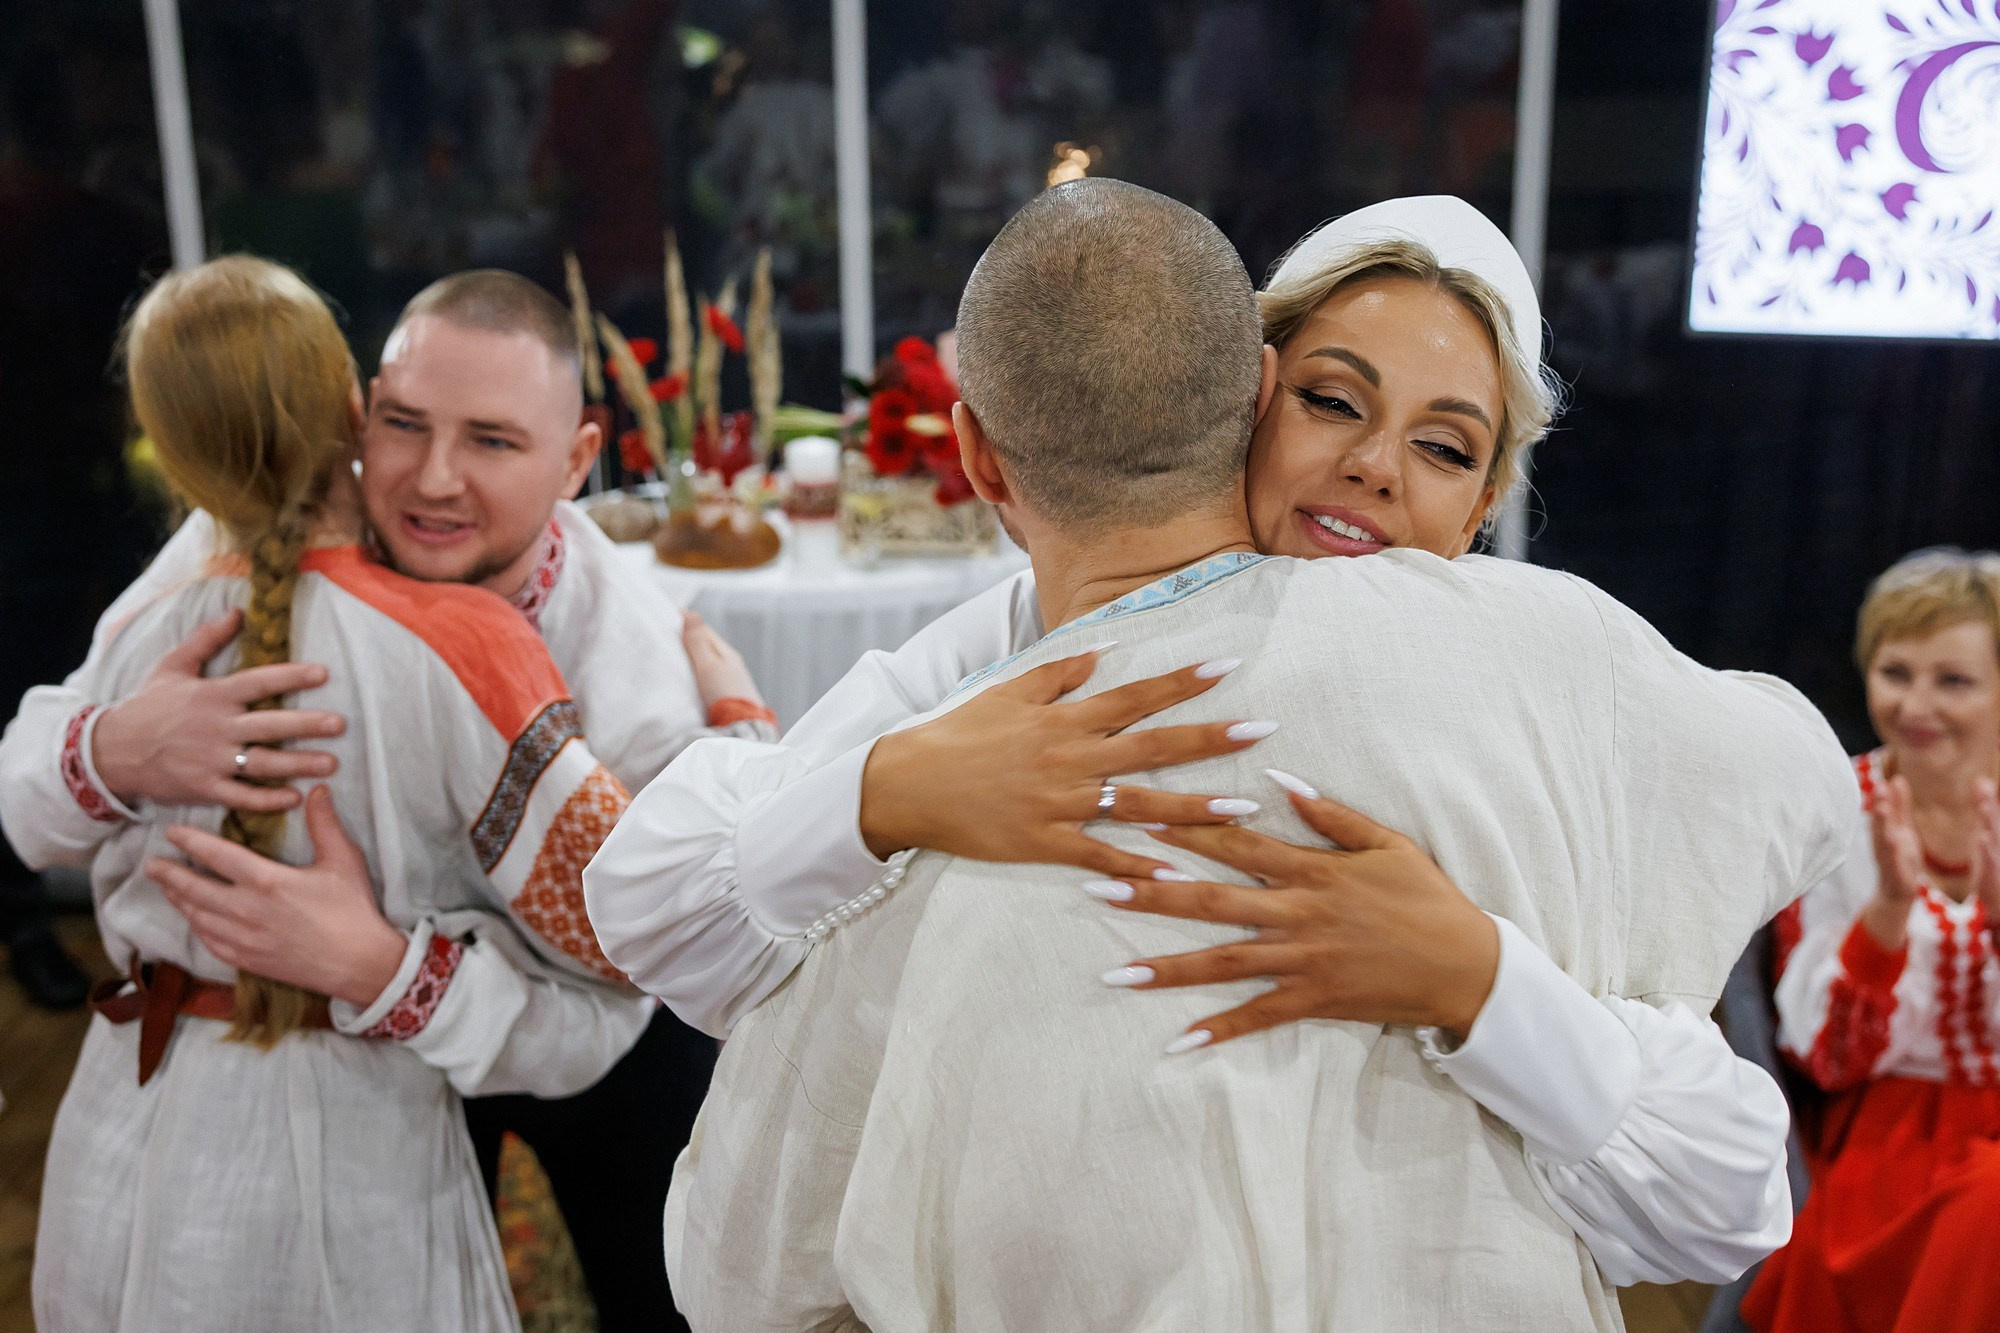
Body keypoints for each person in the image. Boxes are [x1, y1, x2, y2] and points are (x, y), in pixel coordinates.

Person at [595, 180, 1854, 1328]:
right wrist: (887, 792)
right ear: (1246, 396)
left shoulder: (1533, 696)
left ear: (1483, 509)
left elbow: (1726, 1200)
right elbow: (655, 902)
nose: (1372, 467)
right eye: (1332, 401)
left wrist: (1474, 979)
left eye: (1443, 447)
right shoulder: (1013, 639)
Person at [0, 268, 775, 1330]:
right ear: (357, 410)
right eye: (404, 424)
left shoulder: (629, 652)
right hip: (366, 1072)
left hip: (586, 1032)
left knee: (665, 1286)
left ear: (576, 460)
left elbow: (699, 921)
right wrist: (117, 747)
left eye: (492, 441)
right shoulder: (248, 539)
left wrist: (740, 736)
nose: (434, 478)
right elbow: (25, 796)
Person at [1741, 549, 2000, 1333]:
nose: (1916, 704)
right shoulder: (1838, 810)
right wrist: (1888, 908)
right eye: (1895, 673)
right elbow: (1824, 1056)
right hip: (1893, 1139)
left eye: (1952, 680)